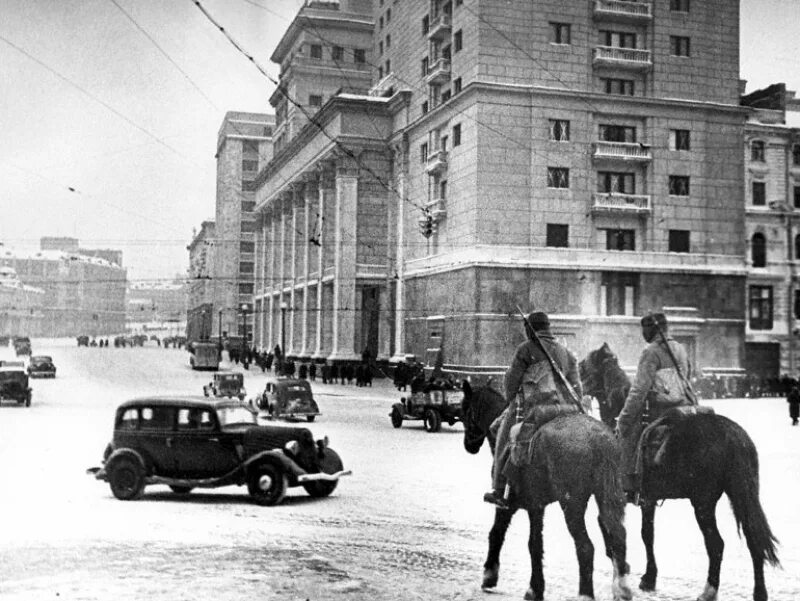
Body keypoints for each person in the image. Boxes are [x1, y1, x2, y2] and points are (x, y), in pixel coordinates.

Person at [484, 311, 582, 510]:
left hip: (532, 409)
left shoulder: (526, 349)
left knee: (502, 435)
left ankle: (499, 490)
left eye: (525, 328)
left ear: (531, 328)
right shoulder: (567, 353)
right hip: (563, 411)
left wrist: (512, 394)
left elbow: (511, 387)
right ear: (547, 327)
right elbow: (577, 388)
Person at [615, 312, 695, 502]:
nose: (643, 333)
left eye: (644, 329)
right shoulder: (680, 348)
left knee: (630, 433)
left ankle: (631, 487)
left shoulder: (651, 351)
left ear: (650, 329)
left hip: (661, 410)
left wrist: (624, 420)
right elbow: (688, 376)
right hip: (684, 406)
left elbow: (639, 390)